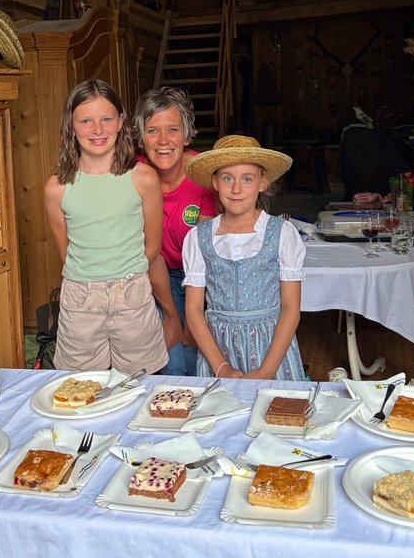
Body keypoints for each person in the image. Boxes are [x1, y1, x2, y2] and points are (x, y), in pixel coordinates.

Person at [44, 79, 168, 374]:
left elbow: (152, 245)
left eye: (106, 119)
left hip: (132, 294)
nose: (97, 130)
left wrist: (127, 275)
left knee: (140, 382)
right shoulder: (57, 188)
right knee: (80, 385)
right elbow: (66, 251)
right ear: (71, 126)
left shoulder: (143, 178)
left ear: (121, 122)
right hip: (81, 300)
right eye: (86, 121)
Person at [182, 134, 306, 380]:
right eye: (227, 178)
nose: (236, 189)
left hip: (272, 350)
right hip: (219, 350)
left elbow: (291, 308)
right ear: (215, 182)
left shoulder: (282, 233)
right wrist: (221, 367)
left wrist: (267, 370)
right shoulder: (198, 237)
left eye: (247, 179)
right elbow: (194, 311)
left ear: (262, 182)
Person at [132, 87, 216, 376]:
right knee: (173, 364)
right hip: (149, 277)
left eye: (172, 130)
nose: (163, 140)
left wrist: (195, 316)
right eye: (152, 131)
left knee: (196, 359)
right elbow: (145, 251)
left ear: (187, 134)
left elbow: (203, 253)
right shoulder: (133, 175)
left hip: (197, 277)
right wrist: (170, 316)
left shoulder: (202, 174)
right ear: (140, 138)